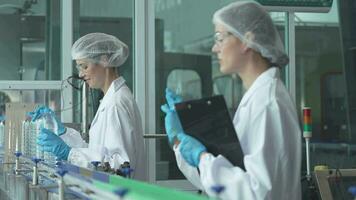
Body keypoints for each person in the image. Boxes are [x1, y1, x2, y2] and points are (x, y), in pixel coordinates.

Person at [161, 1, 301, 199]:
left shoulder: (268, 104)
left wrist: (201, 157)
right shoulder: (256, 99)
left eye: (219, 38)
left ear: (246, 40)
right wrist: (179, 142)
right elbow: (218, 184)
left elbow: (255, 192)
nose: (214, 49)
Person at [29, 33, 147, 181]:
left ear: (104, 60)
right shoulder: (111, 99)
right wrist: (64, 133)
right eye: (79, 68)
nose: (81, 74)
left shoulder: (116, 104)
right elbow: (96, 152)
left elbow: (118, 168)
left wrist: (69, 153)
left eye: (85, 66)